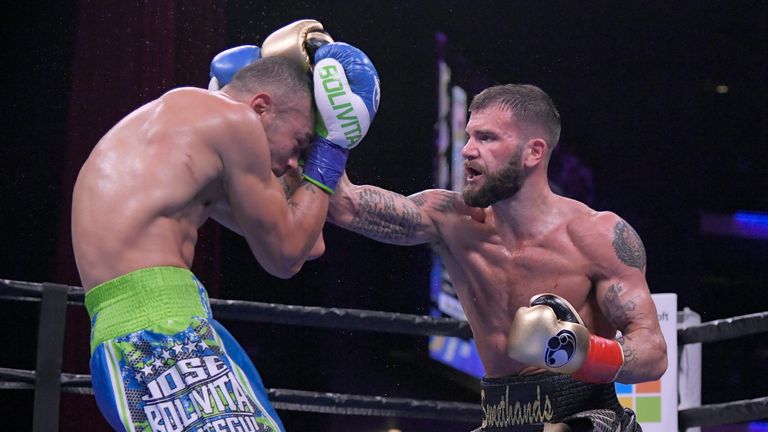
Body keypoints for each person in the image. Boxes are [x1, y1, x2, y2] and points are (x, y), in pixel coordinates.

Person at [71, 19, 379, 431]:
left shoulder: (182, 140)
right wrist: (333, 146)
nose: (293, 161)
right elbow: (285, 256)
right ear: (261, 107)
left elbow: (309, 244)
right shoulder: (236, 122)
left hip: (139, 335)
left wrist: (309, 154)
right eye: (301, 142)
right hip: (160, 335)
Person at [328, 84, 667, 431]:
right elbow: (344, 205)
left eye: (487, 138)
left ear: (534, 152)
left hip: (585, 417)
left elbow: (653, 352)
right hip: (501, 418)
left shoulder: (597, 236)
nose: (467, 151)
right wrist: (329, 125)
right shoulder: (450, 219)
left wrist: (574, 351)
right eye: (469, 136)